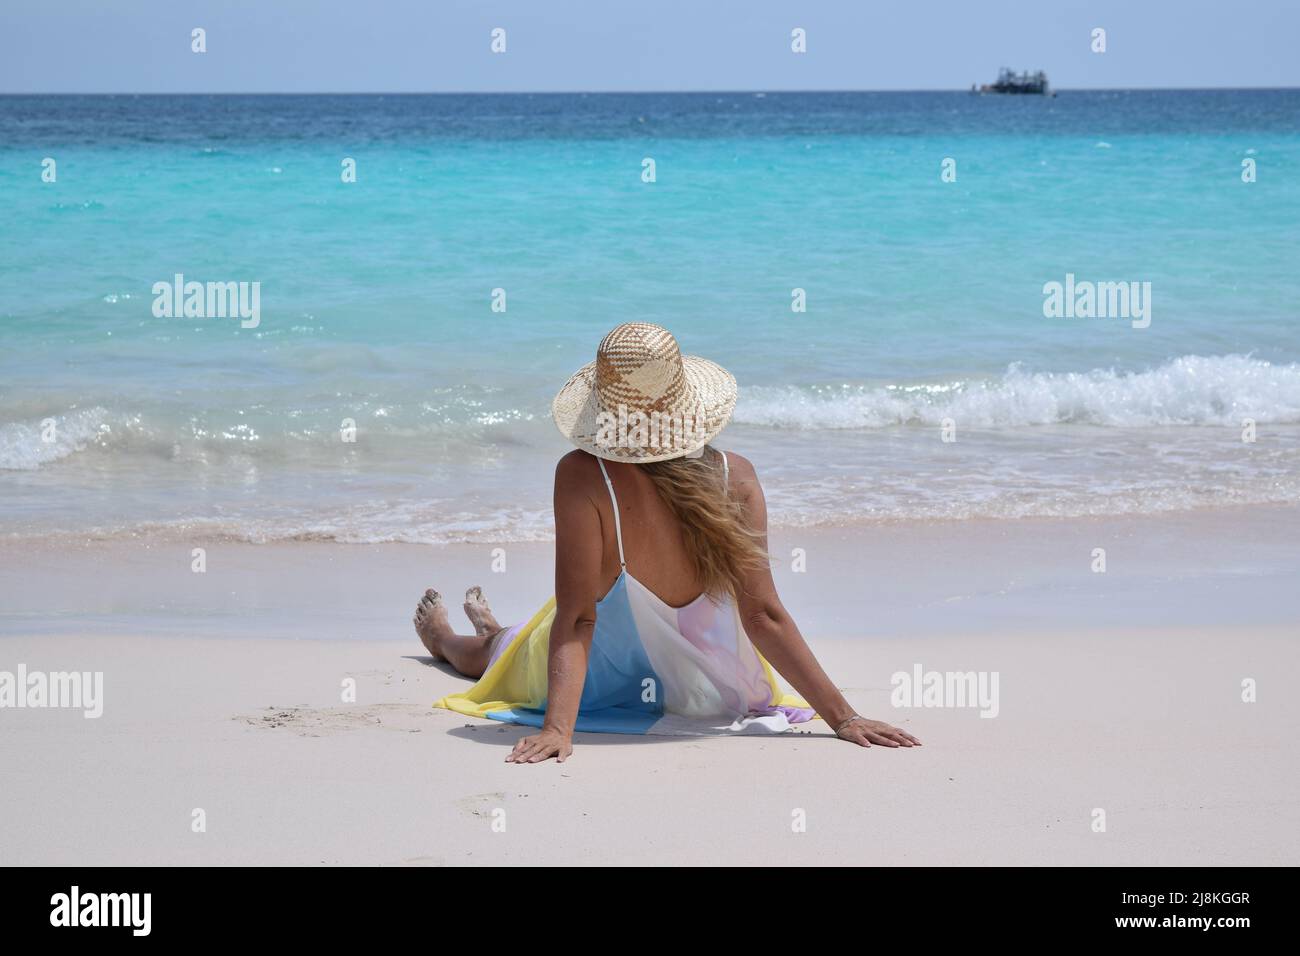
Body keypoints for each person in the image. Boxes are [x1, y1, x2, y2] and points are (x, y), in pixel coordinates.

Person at [416, 322, 921, 763]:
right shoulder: (735, 475)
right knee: (538, 627)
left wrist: (557, 728)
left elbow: (578, 619)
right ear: (686, 404)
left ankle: (447, 640)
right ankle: (497, 627)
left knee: (498, 651)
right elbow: (762, 615)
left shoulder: (583, 476)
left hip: (601, 680)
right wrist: (844, 717)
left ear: (604, 409)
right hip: (708, 687)